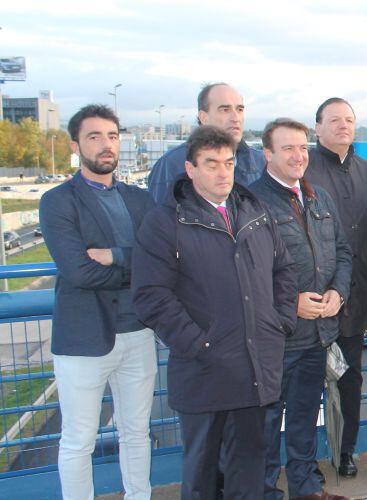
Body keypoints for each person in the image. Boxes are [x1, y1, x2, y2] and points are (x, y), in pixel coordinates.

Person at [133, 125, 297, 499]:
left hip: (255, 368)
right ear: (190, 169)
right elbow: (151, 296)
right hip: (204, 373)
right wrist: (199, 345)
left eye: (229, 163)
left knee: (249, 471)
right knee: (203, 474)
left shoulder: (254, 210)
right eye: (211, 164)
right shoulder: (166, 222)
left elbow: (284, 270)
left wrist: (281, 321)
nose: (223, 173)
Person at [41, 104, 156, 500]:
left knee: (137, 432)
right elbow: (79, 273)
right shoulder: (58, 201)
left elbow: (161, 260)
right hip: (84, 339)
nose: (105, 145)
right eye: (94, 136)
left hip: (138, 333)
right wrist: (135, 264)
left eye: (111, 136)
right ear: (75, 145)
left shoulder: (139, 200)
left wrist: (117, 255)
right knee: (78, 440)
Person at [248, 118, 351, 500]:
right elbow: (243, 272)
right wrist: (289, 304)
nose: (298, 155)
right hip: (275, 338)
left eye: (302, 148)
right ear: (267, 154)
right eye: (287, 148)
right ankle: (264, 493)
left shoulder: (318, 197)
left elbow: (342, 251)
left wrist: (339, 292)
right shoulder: (250, 201)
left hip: (316, 337)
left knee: (306, 420)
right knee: (266, 423)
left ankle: (306, 489)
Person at [302, 97, 367, 476]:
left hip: (354, 301)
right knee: (303, 389)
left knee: (350, 381)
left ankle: (345, 451)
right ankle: (304, 463)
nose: (342, 126)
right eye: (333, 120)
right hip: (314, 301)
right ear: (316, 129)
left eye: (349, 120)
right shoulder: (305, 170)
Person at [146, 83, 265, 204]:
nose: (236, 118)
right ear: (203, 117)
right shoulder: (171, 164)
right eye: (225, 110)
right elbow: (159, 217)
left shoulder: (260, 162)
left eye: (240, 109)